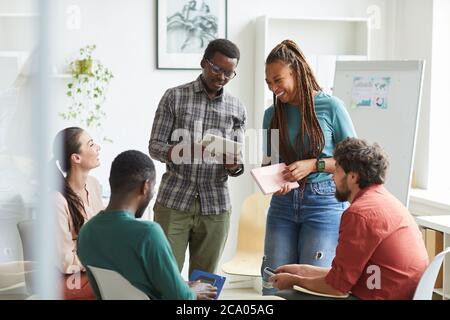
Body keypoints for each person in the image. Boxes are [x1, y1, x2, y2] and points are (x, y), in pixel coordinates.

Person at [271, 138, 429, 300]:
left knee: (284, 295)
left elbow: (337, 287)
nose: (332, 178)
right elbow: (348, 274)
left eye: (337, 171)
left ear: (352, 177)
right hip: (391, 288)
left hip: (381, 293)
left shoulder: (360, 214)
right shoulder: (384, 200)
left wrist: (294, 281)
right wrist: (303, 270)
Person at [261, 39, 356, 294]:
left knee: (312, 290)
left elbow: (354, 160)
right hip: (282, 206)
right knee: (274, 285)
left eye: (278, 79)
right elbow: (269, 161)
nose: (274, 87)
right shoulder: (271, 114)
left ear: (297, 71)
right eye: (269, 82)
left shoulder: (331, 107)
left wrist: (314, 164)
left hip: (324, 203)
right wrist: (273, 178)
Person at [149, 39, 246, 276]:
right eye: (217, 69)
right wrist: (183, 150)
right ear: (204, 63)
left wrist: (234, 164)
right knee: (165, 276)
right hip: (174, 201)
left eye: (229, 73)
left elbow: (238, 163)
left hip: (216, 205)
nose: (222, 77)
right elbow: (155, 146)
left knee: (205, 281)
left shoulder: (236, 108)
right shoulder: (174, 97)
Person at [77, 150, 217, 300]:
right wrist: (192, 292)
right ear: (146, 186)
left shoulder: (86, 232)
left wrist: (180, 286)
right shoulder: (148, 233)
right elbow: (181, 298)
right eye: (153, 188)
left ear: (112, 181)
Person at [52, 127, 103, 300]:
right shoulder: (56, 201)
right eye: (91, 144)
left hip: (94, 270)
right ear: (76, 158)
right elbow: (66, 262)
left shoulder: (94, 185)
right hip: (69, 279)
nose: (98, 147)